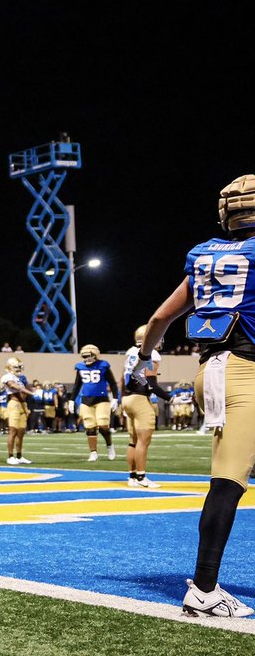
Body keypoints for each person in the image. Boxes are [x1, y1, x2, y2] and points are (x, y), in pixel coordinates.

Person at [135, 174, 255, 618]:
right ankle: (204, 588)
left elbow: (160, 318)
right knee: (228, 482)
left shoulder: (205, 254)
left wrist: (146, 355)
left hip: (211, 371)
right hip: (246, 373)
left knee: (234, 474)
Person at [122, 325, 172, 488]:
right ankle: (141, 477)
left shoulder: (130, 352)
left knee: (133, 441)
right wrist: (170, 398)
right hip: (139, 399)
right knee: (143, 441)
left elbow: (122, 378)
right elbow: (152, 385)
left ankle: (132, 477)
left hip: (127, 398)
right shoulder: (152, 354)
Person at [70, 344, 119, 461]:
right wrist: (72, 399)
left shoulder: (103, 366)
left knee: (103, 426)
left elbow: (112, 383)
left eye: (89, 356)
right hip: (86, 400)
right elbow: (77, 385)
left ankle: (109, 446)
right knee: (90, 428)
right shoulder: (80, 367)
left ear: (95, 355)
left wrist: (116, 398)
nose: (86, 359)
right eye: (85, 356)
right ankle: (93, 452)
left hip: (101, 399)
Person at [0, 357, 32, 464]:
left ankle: (19, 456)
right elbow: (14, 386)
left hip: (23, 404)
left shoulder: (21, 377)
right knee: (13, 431)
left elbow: (29, 389)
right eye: (16, 367)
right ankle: (10, 456)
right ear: (10, 367)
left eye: (19, 366)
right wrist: (30, 392)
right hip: (14, 404)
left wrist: (28, 385)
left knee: (21, 432)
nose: (18, 369)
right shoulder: (7, 377)